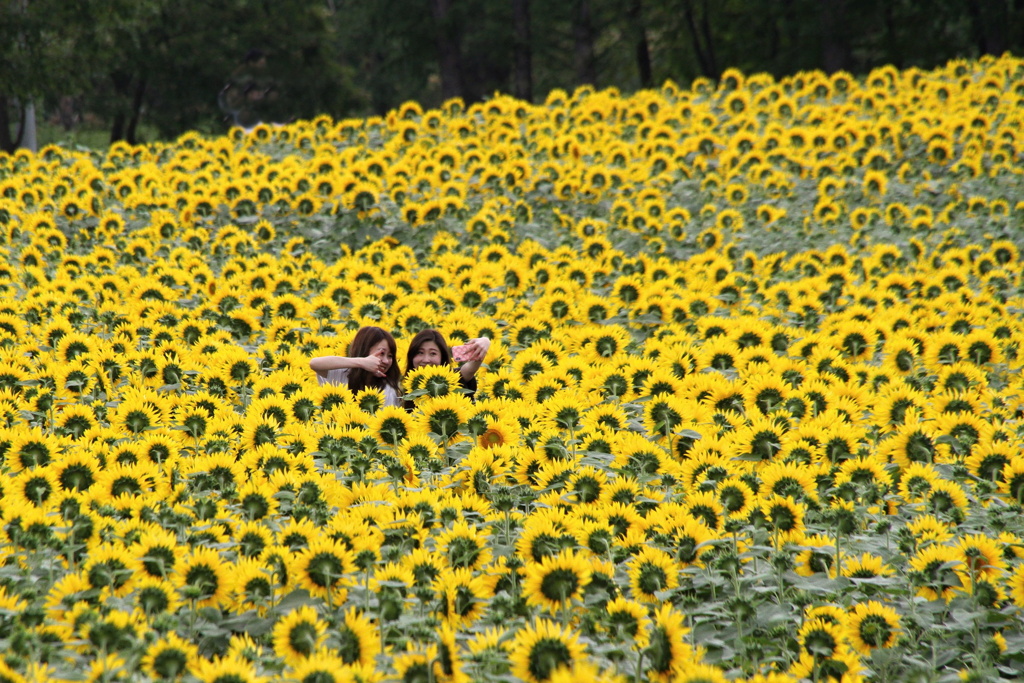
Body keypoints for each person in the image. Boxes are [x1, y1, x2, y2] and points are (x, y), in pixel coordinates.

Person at [310, 326, 402, 406]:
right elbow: (315, 364)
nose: (386, 361)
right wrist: (362, 362)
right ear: (364, 349)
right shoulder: (343, 374)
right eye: (381, 353)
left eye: (390, 356)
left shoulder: (389, 389)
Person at [405, 329, 490, 399]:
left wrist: (485, 341)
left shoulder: (453, 378)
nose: (426, 360)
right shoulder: (404, 387)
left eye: (433, 353)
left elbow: (471, 368)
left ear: (442, 356)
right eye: (420, 352)